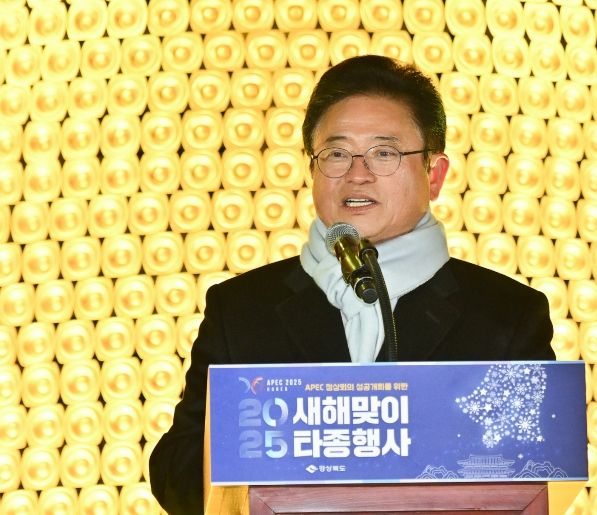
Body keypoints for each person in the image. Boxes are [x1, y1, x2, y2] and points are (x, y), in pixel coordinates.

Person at [149, 55, 555, 514]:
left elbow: (537, 470)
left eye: (384, 153)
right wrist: (262, 449)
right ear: (312, 171)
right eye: (337, 154)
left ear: (434, 175)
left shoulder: (506, 315)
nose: (357, 174)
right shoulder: (242, 309)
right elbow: (176, 470)